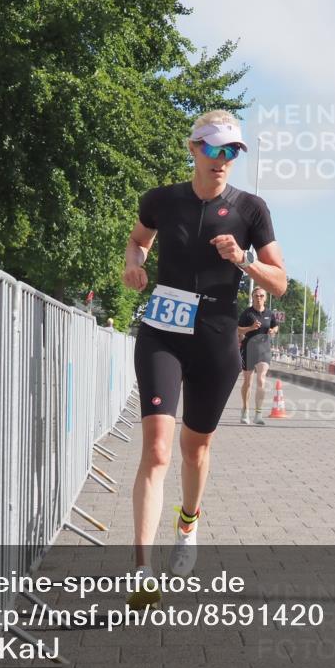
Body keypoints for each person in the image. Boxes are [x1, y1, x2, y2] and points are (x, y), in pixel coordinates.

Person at [122, 110, 287, 602]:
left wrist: (244, 259)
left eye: (232, 151)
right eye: (214, 149)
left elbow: (280, 280)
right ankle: (141, 570)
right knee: (157, 449)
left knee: (195, 449)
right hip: (162, 333)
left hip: (216, 338)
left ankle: (188, 522)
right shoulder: (161, 200)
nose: (222, 159)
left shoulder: (251, 209)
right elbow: (138, 241)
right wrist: (134, 265)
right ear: (193, 148)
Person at [238, 287, 279, 425]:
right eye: (256, 296)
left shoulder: (269, 313)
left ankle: (258, 414)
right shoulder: (247, 313)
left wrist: (273, 331)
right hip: (248, 349)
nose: (259, 298)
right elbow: (237, 330)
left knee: (261, 380)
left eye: (261, 295)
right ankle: (245, 409)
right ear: (252, 297)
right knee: (248, 382)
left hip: (264, 350)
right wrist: (251, 328)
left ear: (265, 298)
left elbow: (275, 326)